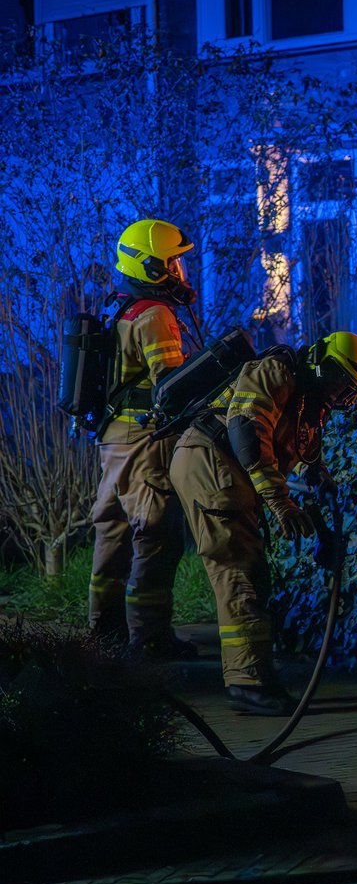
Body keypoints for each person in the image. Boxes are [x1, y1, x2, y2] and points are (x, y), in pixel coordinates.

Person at [170, 331, 357, 716]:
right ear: (319, 362)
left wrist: (322, 525)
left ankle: (251, 676)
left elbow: (298, 456)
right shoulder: (277, 372)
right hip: (209, 460)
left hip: (224, 468)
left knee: (251, 572)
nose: (337, 396)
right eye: (337, 383)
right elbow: (247, 430)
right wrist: (280, 504)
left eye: (348, 392)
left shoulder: (305, 402)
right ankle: (248, 683)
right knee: (238, 570)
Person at [88, 219, 199, 660]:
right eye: (172, 262)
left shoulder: (118, 307)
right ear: (152, 265)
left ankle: (104, 632)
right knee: (156, 534)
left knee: (111, 532)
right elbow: (171, 385)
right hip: (142, 441)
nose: (179, 271)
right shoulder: (154, 315)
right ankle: (149, 638)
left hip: (111, 440)